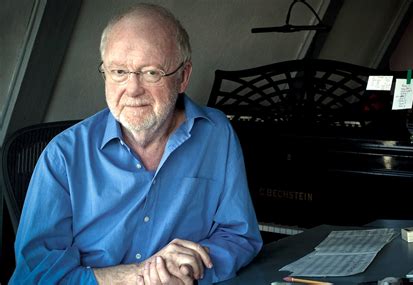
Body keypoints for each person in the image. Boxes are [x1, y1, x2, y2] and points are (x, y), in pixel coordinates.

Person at [10, 3, 262, 284]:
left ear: (183, 77)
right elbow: (34, 277)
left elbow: (238, 235)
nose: (132, 89)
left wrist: (188, 270)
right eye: (119, 72)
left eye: (151, 72)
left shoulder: (216, 134)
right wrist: (139, 275)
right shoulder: (62, 156)